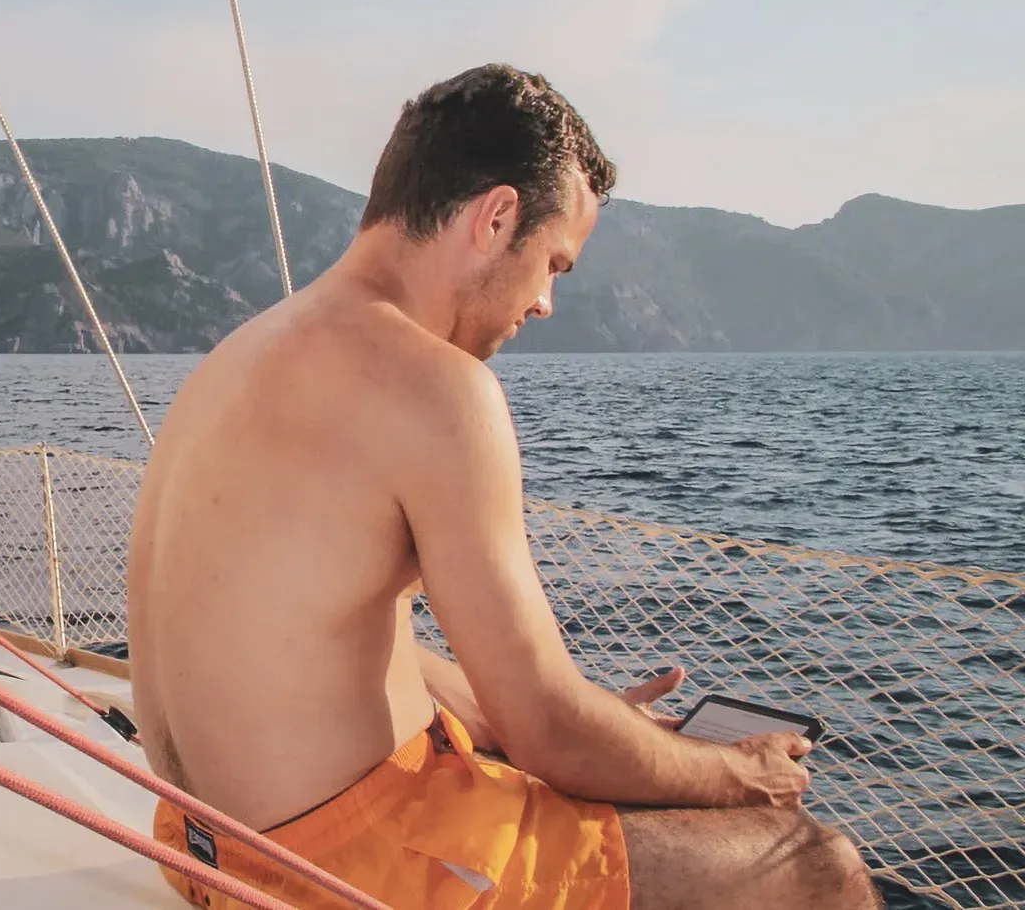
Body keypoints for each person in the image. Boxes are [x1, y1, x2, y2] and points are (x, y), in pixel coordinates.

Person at [129, 65, 877, 910]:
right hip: (335, 869)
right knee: (814, 865)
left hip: (199, 846)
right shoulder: (435, 389)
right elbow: (550, 734)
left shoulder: (240, 357)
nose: (547, 302)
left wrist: (596, 731)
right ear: (496, 218)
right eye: (554, 262)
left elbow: (315, 640)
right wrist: (735, 771)